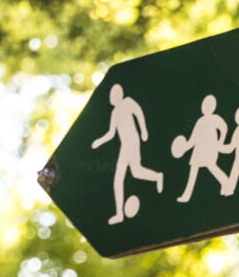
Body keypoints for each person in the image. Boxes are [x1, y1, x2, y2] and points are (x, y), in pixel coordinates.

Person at [93, 84, 163, 224]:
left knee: (129, 174)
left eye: (114, 94)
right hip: (124, 146)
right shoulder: (114, 113)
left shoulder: (128, 102)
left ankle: (157, 177)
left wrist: (144, 130)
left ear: (119, 94)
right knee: (126, 176)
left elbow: (138, 113)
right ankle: (119, 213)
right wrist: (99, 142)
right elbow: (111, 133)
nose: (112, 97)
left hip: (133, 142)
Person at [172, 95, 229, 203]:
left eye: (208, 105)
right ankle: (187, 194)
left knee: (212, 166)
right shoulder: (200, 121)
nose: (205, 107)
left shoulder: (215, 118)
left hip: (210, 148)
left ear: (213, 106)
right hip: (198, 150)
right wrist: (184, 147)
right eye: (204, 105)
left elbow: (224, 128)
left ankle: (226, 182)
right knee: (193, 170)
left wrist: (220, 141)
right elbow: (193, 139)